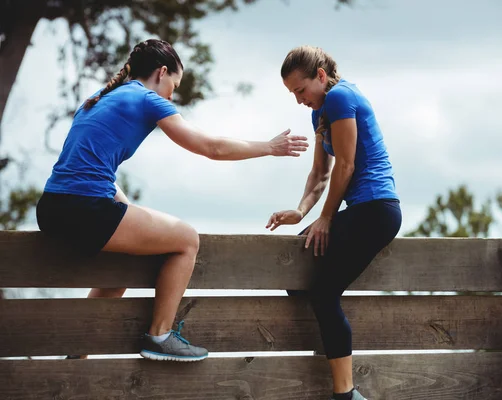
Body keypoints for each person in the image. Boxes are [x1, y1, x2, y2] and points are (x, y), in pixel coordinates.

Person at [36, 39, 309, 362]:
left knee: (122, 264)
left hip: (52, 208)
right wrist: (269, 147)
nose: (172, 95)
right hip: (84, 207)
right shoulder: (147, 99)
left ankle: (75, 353)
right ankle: (160, 335)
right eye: (173, 85)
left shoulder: (98, 99)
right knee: (186, 239)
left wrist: (124, 208)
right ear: (161, 72)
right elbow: (212, 148)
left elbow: (89, 173)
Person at [266, 45, 401, 400]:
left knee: (323, 294)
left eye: (301, 90)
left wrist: (325, 218)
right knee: (298, 279)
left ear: (321, 77)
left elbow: (346, 166)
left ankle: (345, 393)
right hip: (361, 212)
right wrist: (301, 211)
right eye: (293, 94)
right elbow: (320, 174)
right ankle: (337, 378)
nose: (299, 100)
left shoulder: (341, 97)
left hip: (375, 210)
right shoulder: (320, 113)